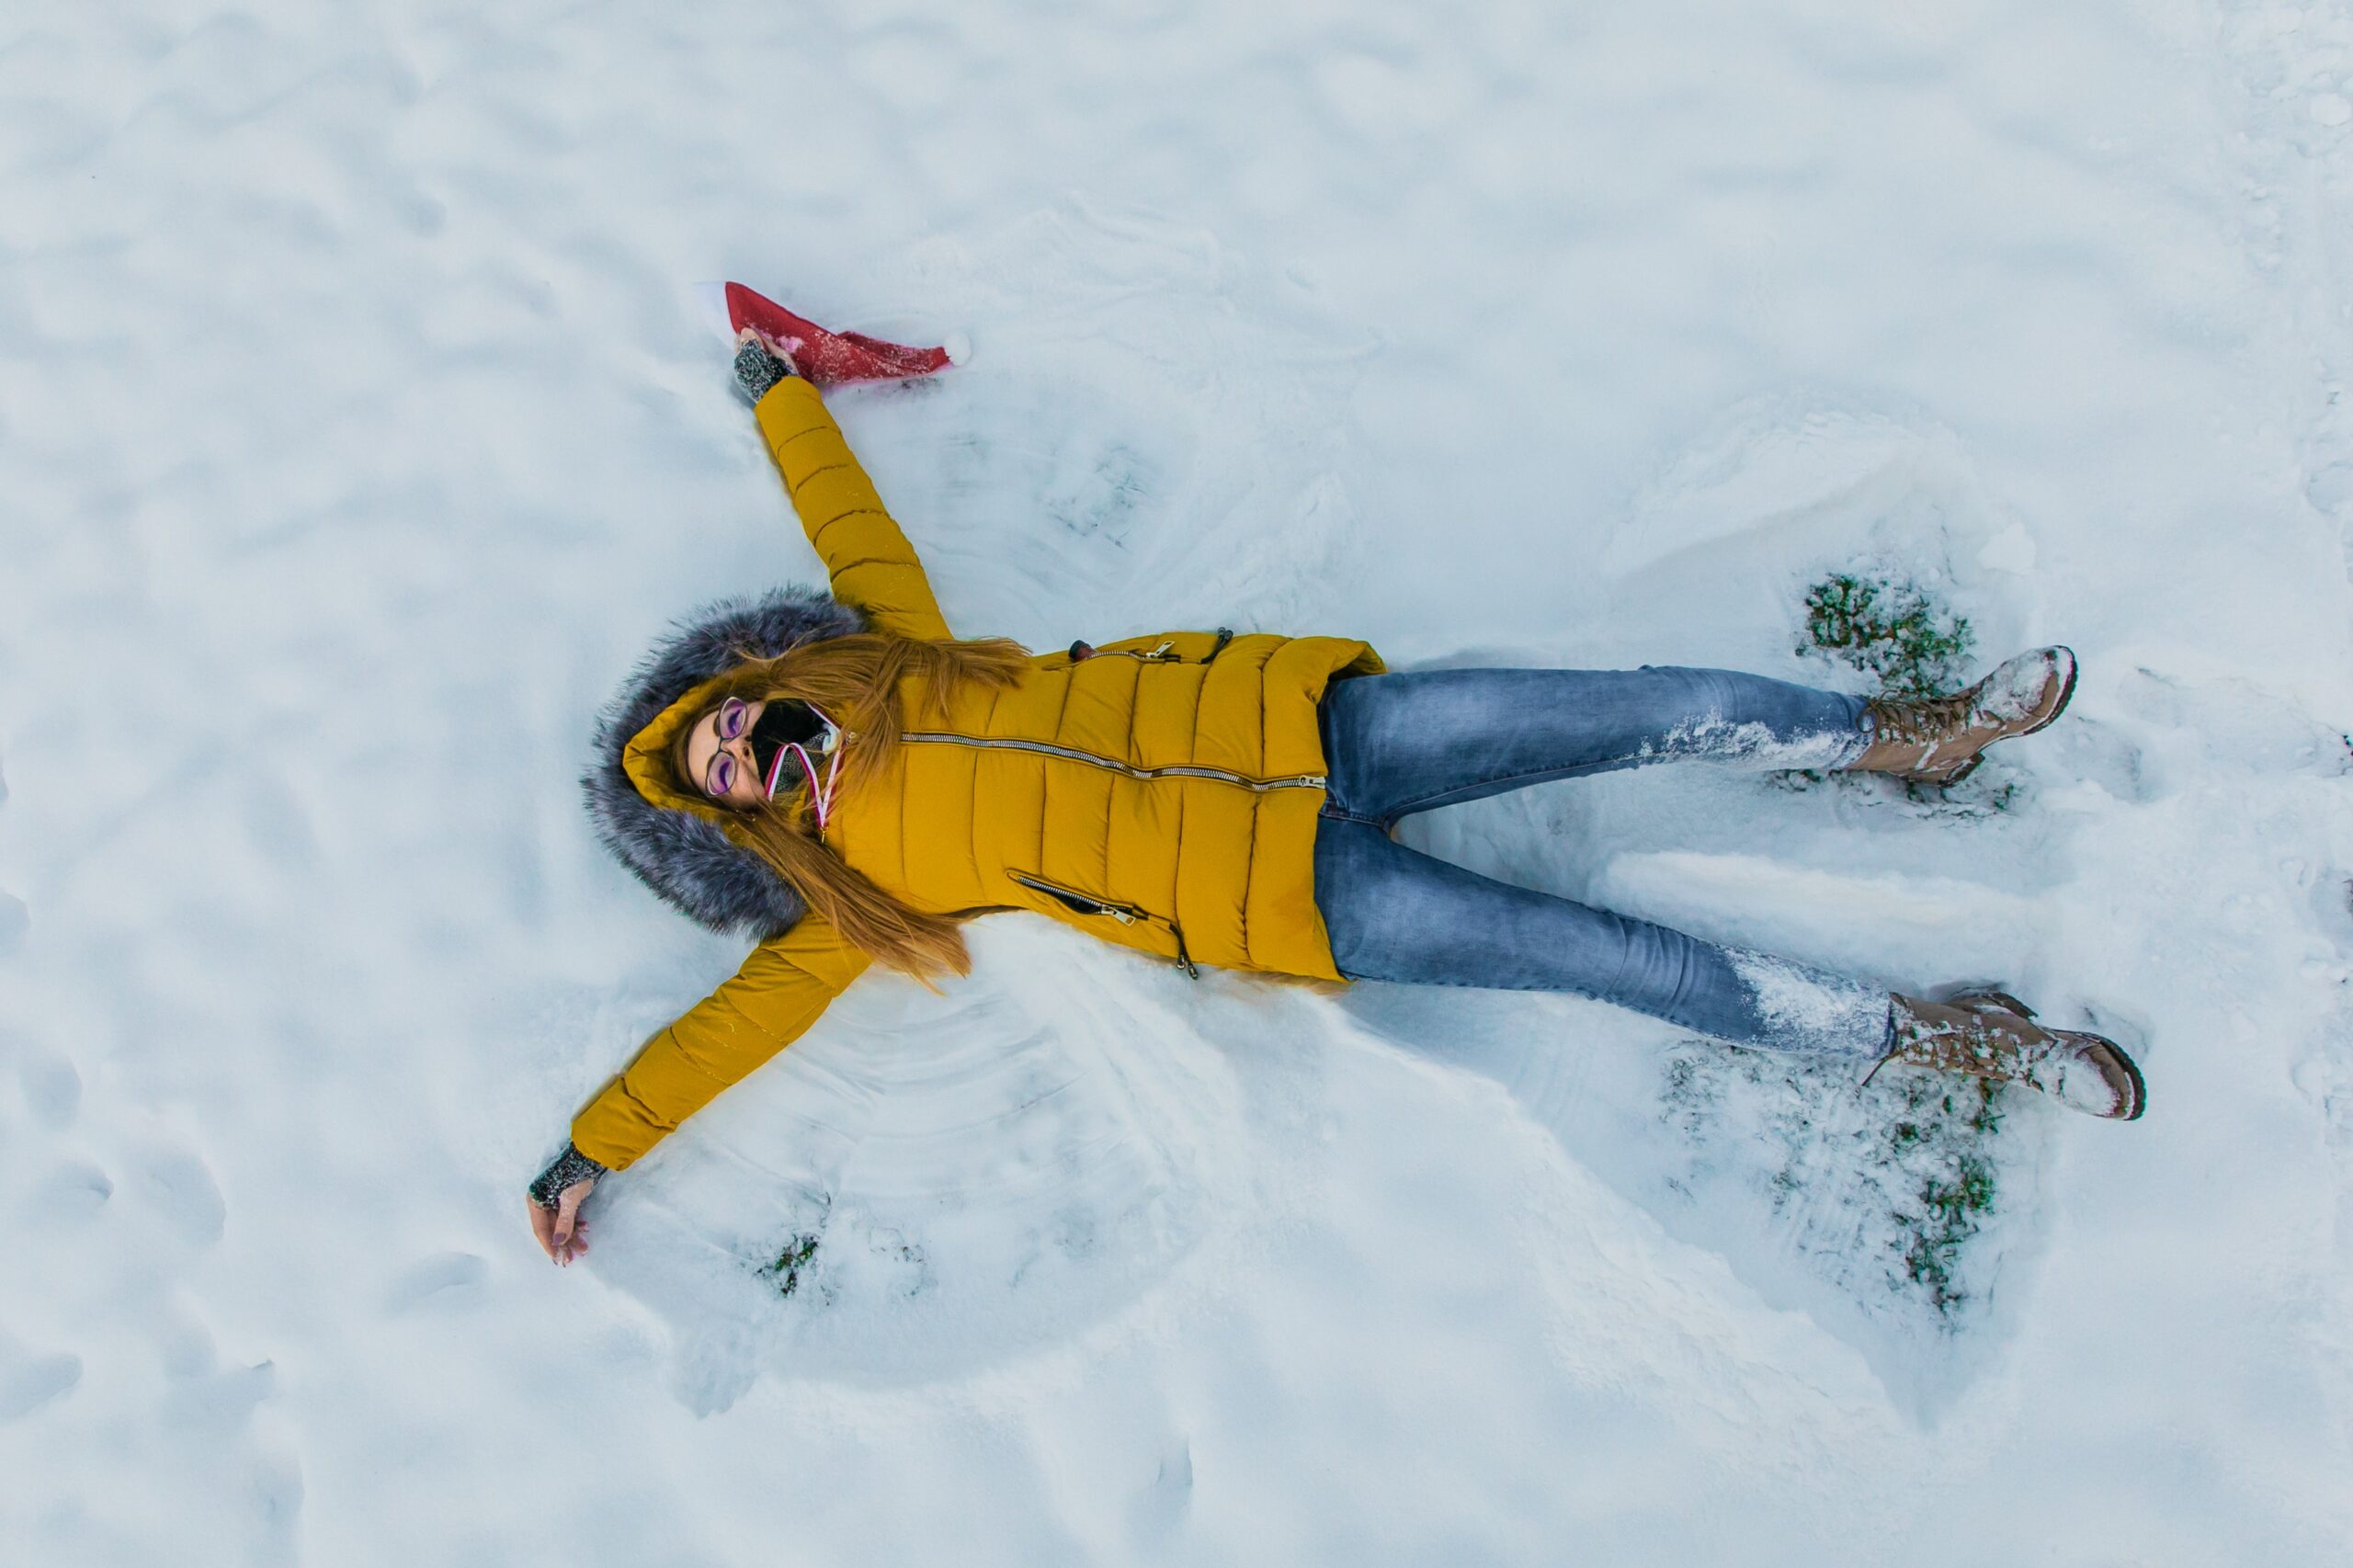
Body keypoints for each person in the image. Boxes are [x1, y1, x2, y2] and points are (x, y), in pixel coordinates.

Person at [526, 331, 2144, 1266]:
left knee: (1651, 708)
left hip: (1318, 723)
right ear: (741, 820)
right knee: (1623, 964)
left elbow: (842, 505)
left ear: (753, 684)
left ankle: (1907, 735)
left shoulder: (899, 654)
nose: (733, 752)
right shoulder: (835, 910)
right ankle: (1942, 1031)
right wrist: (596, 1146)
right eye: (717, 781)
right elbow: (715, 1039)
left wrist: (772, 393)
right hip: (1290, 901)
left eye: (721, 723)